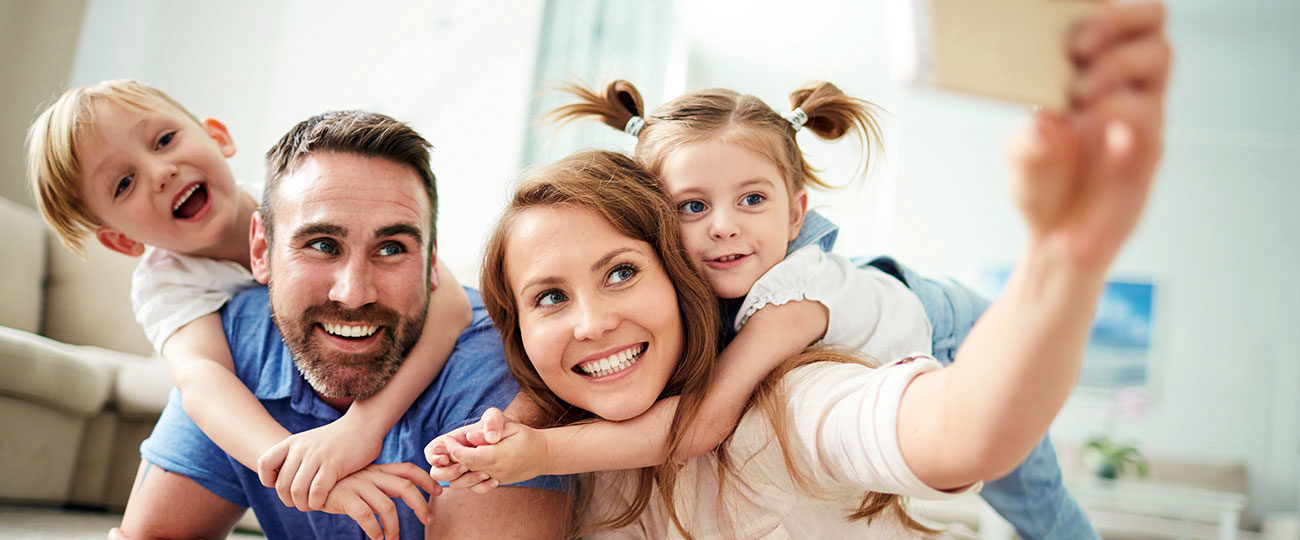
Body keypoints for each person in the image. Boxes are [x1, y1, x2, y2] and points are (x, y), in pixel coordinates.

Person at [432, 2, 1170, 537]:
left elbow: (955, 429)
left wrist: (1062, 256)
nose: (722, 226)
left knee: (1038, 507)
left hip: (957, 327)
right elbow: (446, 307)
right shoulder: (690, 309)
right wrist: (513, 424)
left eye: (620, 273)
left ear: (795, 214)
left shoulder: (788, 312)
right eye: (691, 207)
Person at [24, 80, 475, 528]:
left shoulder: (300, 193)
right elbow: (204, 381)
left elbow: (450, 302)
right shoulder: (168, 284)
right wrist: (308, 471)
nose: (161, 172)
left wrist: (360, 429)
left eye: (164, 140)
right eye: (124, 183)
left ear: (217, 136)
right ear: (122, 241)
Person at [106, 110, 571, 539]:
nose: (354, 292)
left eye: (391, 248)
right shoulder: (228, 343)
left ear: (433, 264)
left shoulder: (500, 370)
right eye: (322, 245)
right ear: (261, 251)